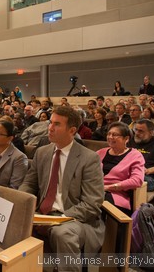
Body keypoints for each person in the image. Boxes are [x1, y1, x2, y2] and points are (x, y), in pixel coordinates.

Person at [19, 107, 105, 272]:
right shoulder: (42, 153)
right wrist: (23, 204)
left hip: (74, 218)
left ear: (72, 130)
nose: (50, 127)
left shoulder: (89, 158)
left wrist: (60, 219)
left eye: (57, 124)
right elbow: (29, 184)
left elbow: (92, 204)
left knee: (62, 233)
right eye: (50, 122)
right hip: (42, 213)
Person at [96, 122, 144, 215]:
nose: (110, 137)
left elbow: (137, 180)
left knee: (95, 204)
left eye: (115, 135)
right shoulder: (100, 152)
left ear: (126, 138)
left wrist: (109, 187)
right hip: (95, 190)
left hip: (115, 195)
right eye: (109, 134)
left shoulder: (135, 155)